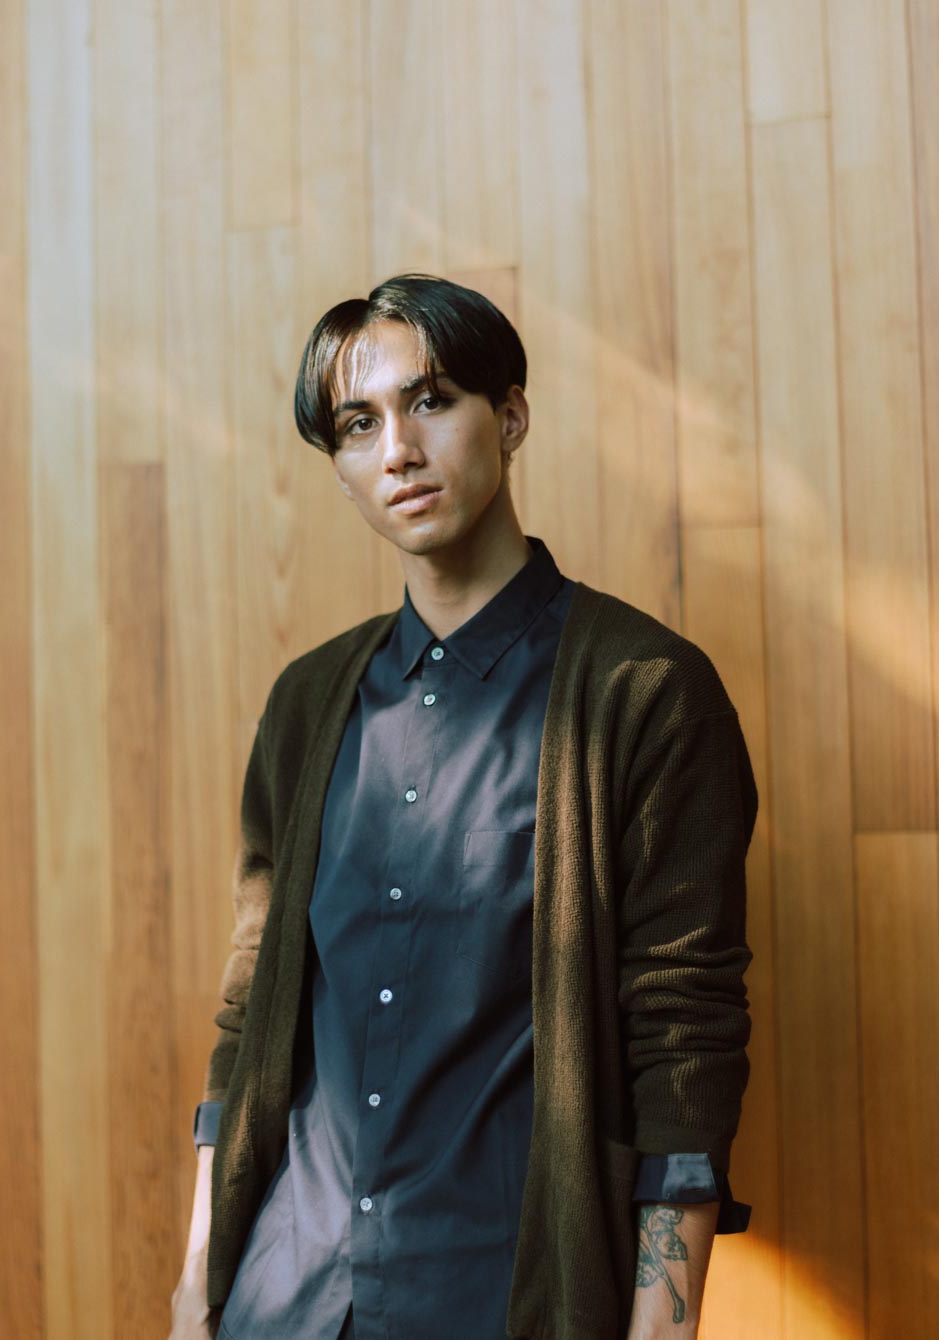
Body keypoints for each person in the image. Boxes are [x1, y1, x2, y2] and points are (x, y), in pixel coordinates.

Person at [169, 273, 757, 1340]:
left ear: (512, 415)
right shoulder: (309, 705)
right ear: (341, 467)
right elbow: (248, 1010)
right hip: (286, 1300)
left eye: (431, 402)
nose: (398, 448)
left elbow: (685, 1035)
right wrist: (197, 1283)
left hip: (504, 1297)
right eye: (359, 424)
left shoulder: (643, 693)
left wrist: (662, 1328)